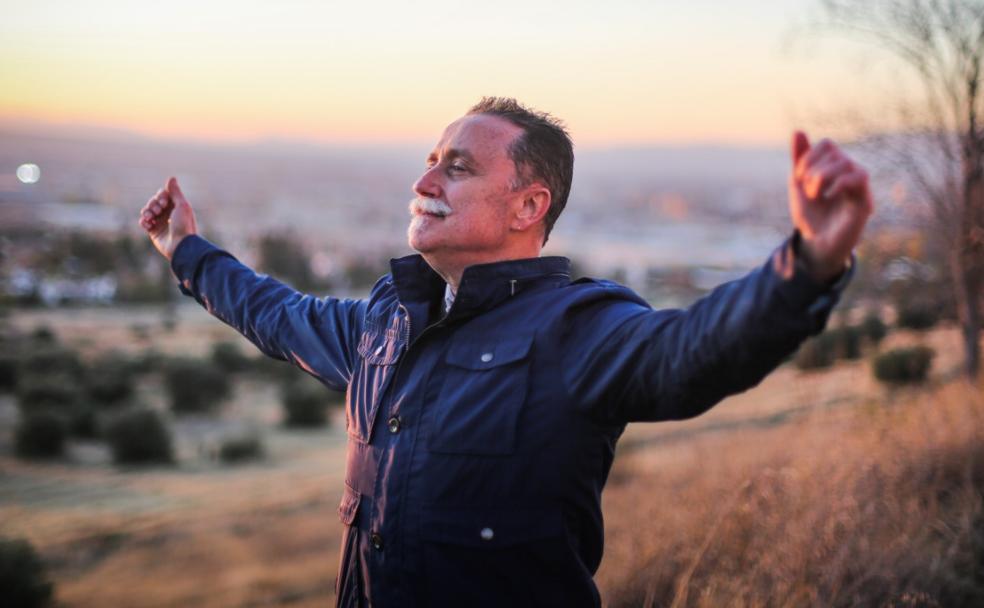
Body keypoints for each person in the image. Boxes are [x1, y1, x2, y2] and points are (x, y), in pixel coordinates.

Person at [139, 97, 872, 607]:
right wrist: (185, 250)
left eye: (456, 168)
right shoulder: (386, 323)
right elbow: (276, 312)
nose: (423, 183)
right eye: (429, 162)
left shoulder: (577, 329)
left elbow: (693, 352)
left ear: (529, 206)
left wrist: (806, 265)